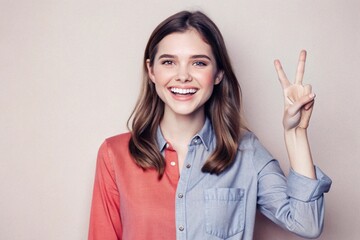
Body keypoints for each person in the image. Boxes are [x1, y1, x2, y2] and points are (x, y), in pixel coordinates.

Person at [88, 10, 331, 240]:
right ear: (151, 71)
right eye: (169, 62)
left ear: (218, 74)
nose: (183, 76)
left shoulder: (246, 151)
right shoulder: (114, 154)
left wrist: (296, 133)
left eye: (199, 63)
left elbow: (306, 223)